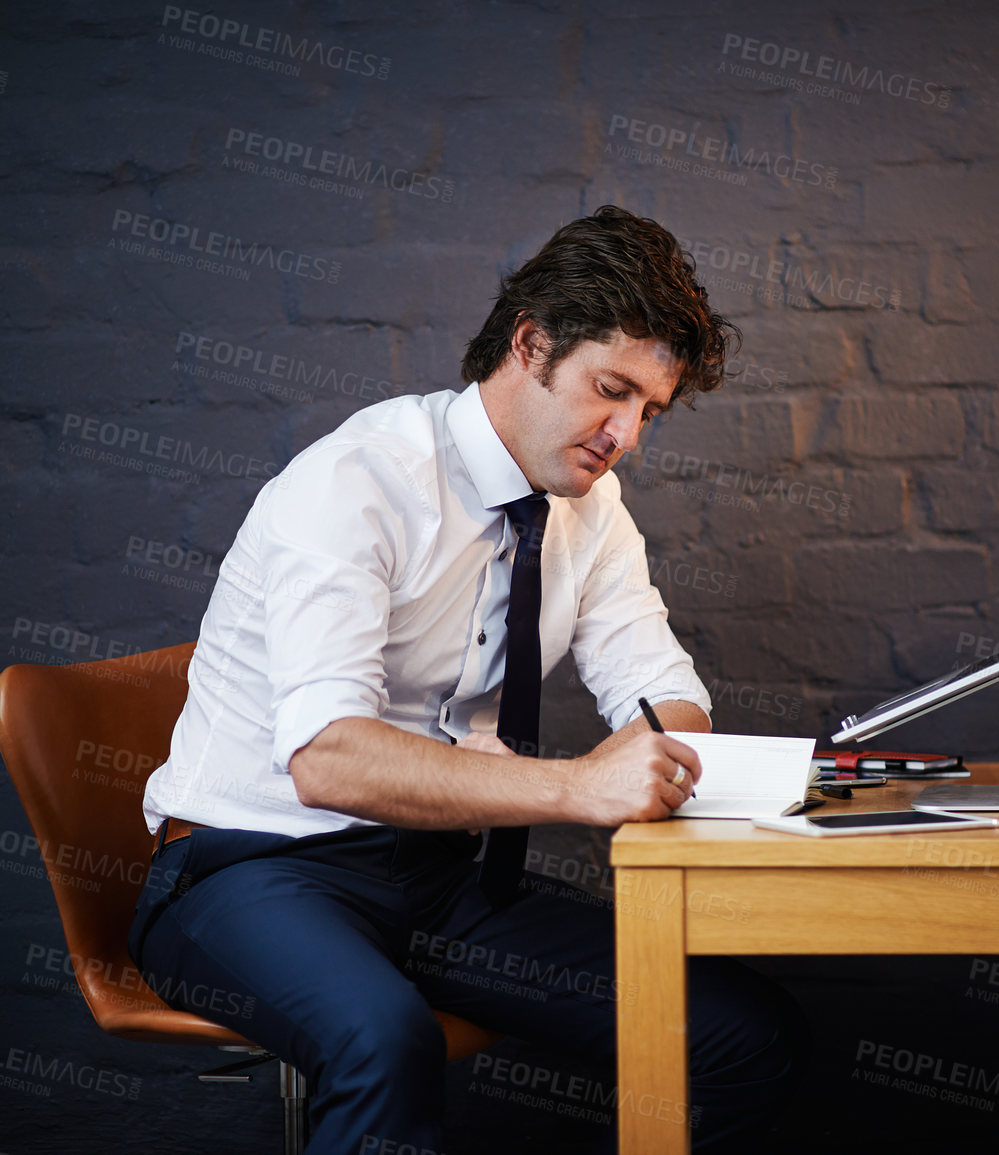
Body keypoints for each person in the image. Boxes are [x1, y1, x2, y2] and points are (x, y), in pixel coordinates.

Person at [130, 205, 808, 1153]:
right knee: (380, 1035)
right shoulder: (354, 481)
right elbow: (328, 761)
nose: (627, 436)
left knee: (745, 1029)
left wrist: (662, 744)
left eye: (647, 411)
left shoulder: (590, 506)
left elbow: (661, 687)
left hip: (440, 884)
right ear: (530, 345)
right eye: (610, 391)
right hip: (252, 873)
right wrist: (580, 786)